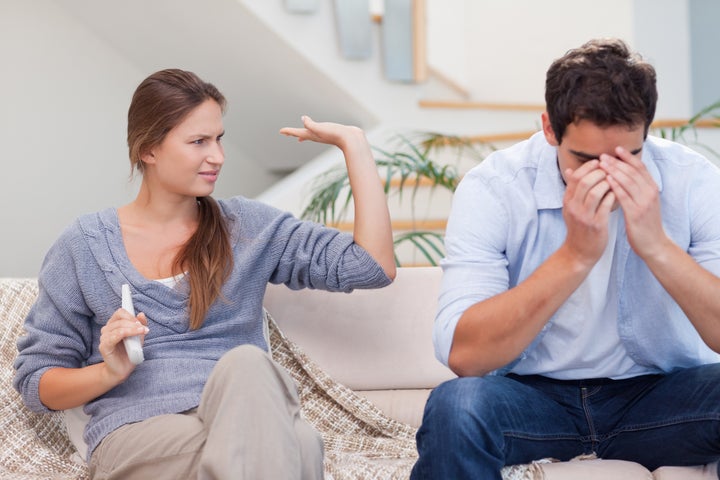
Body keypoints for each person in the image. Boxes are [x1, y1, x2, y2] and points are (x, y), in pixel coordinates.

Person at [14, 68, 396, 480]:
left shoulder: (249, 228)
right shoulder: (84, 244)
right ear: (149, 150)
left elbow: (371, 267)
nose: (217, 156)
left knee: (249, 367)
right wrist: (110, 371)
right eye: (198, 142)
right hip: (140, 433)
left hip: (249, 413)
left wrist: (355, 146)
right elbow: (37, 383)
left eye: (219, 139)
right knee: (298, 445)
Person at [410, 38, 720, 479]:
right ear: (550, 130)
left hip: (656, 395)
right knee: (456, 406)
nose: (607, 175)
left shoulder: (693, 180)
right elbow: (466, 356)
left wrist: (656, 245)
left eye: (628, 157)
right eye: (585, 159)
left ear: (647, 132)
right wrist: (575, 256)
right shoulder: (494, 188)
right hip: (534, 399)